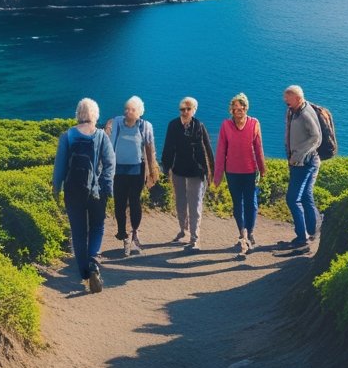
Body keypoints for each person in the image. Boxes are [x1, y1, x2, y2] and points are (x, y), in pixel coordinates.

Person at [52, 98, 116, 293]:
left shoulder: (68, 136)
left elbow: (60, 166)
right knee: (97, 226)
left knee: (78, 232)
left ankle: (85, 274)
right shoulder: (101, 136)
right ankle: (94, 263)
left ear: (78, 115)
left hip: (73, 191)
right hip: (96, 192)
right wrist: (107, 187)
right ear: (95, 116)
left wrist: (56, 189)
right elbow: (110, 164)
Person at [213, 92, 267, 254]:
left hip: (251, 171)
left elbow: (259, 148)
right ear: (231, 110)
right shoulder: (226, 125)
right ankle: (242, 233)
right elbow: (221, 150)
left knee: (252, 203)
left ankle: (250, 232)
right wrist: (218, 175)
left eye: (241, 107)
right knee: (238, 204)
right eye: (235, 108)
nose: (238, 110)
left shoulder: (254, 123)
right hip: (232, 172)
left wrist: (262, 169)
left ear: (245, 108)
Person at [104, 95, 158, 256]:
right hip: (118, 171)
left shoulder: (145, 126)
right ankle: (122, 233)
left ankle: (134, 231)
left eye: (132, 109)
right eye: (126, 108)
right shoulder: (116, 123)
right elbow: (107, 141)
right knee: (119, 203)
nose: (128, 112)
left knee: (134, 202)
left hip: (137, 171)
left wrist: (153, 172)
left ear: (139, 112)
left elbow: (150, 149)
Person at [160, 96, 214, 250]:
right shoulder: (173, 125)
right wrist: (166, 166)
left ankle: (194, 238)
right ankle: (183, 229)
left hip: (196, 172)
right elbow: (168, 146)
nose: (185, 112)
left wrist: (209, 171)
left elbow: (207, 150)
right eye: (182, 109)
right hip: (178, 170)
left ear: (194, 110)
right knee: (180, 203)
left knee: (195, 204)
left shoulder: (199, 126)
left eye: (188, 109)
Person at [281, 84, 321, 250]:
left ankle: (302, 238)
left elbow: (316, 137)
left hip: (304, 162)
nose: (286, 103)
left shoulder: (305, 114)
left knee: (292, 198)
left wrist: (298, 156)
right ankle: (313, 231)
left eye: (288, 101)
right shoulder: (293, 110)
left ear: (297, 99)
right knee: (305, 196)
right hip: (300, 161)